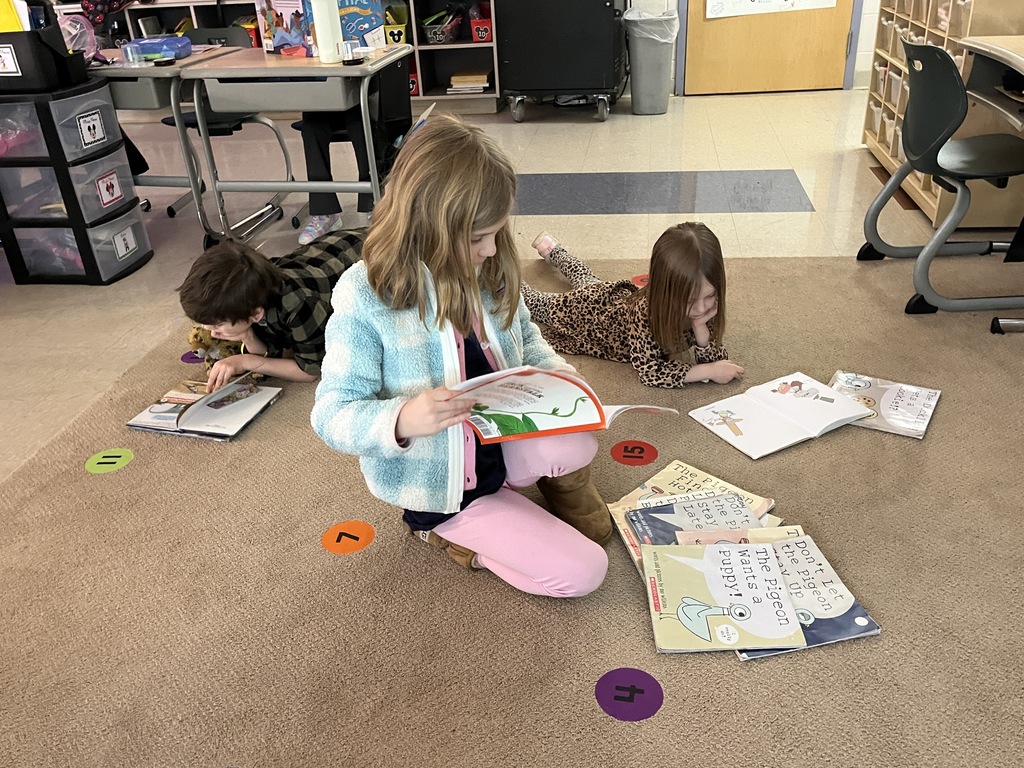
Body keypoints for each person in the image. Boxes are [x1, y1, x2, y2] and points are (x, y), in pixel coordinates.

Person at [310, 114, 609, 598]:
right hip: (442, 489)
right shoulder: (366, 295)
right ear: (425, 224)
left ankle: (517, 498)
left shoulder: (485, 269)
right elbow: (332, 414)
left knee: (577, 442)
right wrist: (403, 418)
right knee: (584, 572)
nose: (492, 249)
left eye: (497, 232)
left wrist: (562, 380)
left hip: (497, 439)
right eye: (476, 239)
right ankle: (443, 534)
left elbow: (527, 339)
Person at [522, 223, 745, 389]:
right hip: (588, 315)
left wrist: (701, 330)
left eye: (710, 296)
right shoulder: (645, 312)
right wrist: (708, 371)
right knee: (533, 302)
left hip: (609, 299)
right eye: (689, 301)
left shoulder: (705, 303)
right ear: (663, 290)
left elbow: (716, 357)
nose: (700, 308)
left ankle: (553, 250)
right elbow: (649, 371)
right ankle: (499, 275)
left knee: (586, 278)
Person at [176, 230, 365, 392]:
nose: (212, 332)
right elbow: (271, 351)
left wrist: (244, 362)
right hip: (332, 249)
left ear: (256, 314)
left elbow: (309, 371)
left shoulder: (299, 304)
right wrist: (246, 337)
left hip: (371, 252)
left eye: (218, 325)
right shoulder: (252, 292)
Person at [297, 105, 373, 245]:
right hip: (323, 100)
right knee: (311, 127)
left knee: (362, 126)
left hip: (360, 102)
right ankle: (325, 214)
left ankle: (375, 205)